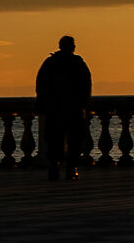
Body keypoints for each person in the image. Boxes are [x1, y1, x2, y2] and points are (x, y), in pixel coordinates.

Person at [35, 35, 93, 182]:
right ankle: (70, 168)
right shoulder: (78, 63)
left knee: (55, 140)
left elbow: (41, 86)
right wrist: (84, 105)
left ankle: (55, 167)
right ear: (73, 47)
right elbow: (86, 86)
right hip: (73, 108)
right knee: (74, 140)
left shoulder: (50, 63)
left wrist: (43, 104)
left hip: (55, 109)